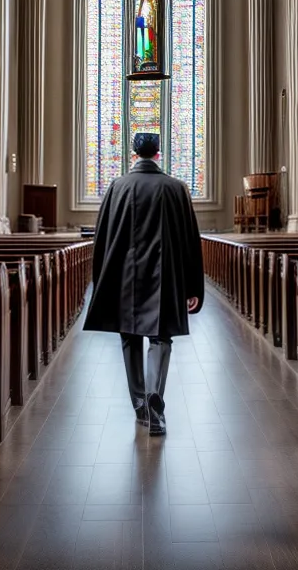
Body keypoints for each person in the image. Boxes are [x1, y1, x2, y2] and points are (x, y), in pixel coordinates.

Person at [83, 132, 204, 436]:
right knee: (161, 338)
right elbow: (191, 241)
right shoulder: (176, 188)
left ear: (133, 154)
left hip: (126, 277)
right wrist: (193, 287)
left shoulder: (118, 187)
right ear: (158, 154)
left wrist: (101, 282)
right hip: (166, 276)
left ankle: (139, 403)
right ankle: (155, 399)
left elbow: (102, 240)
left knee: (129, 337)